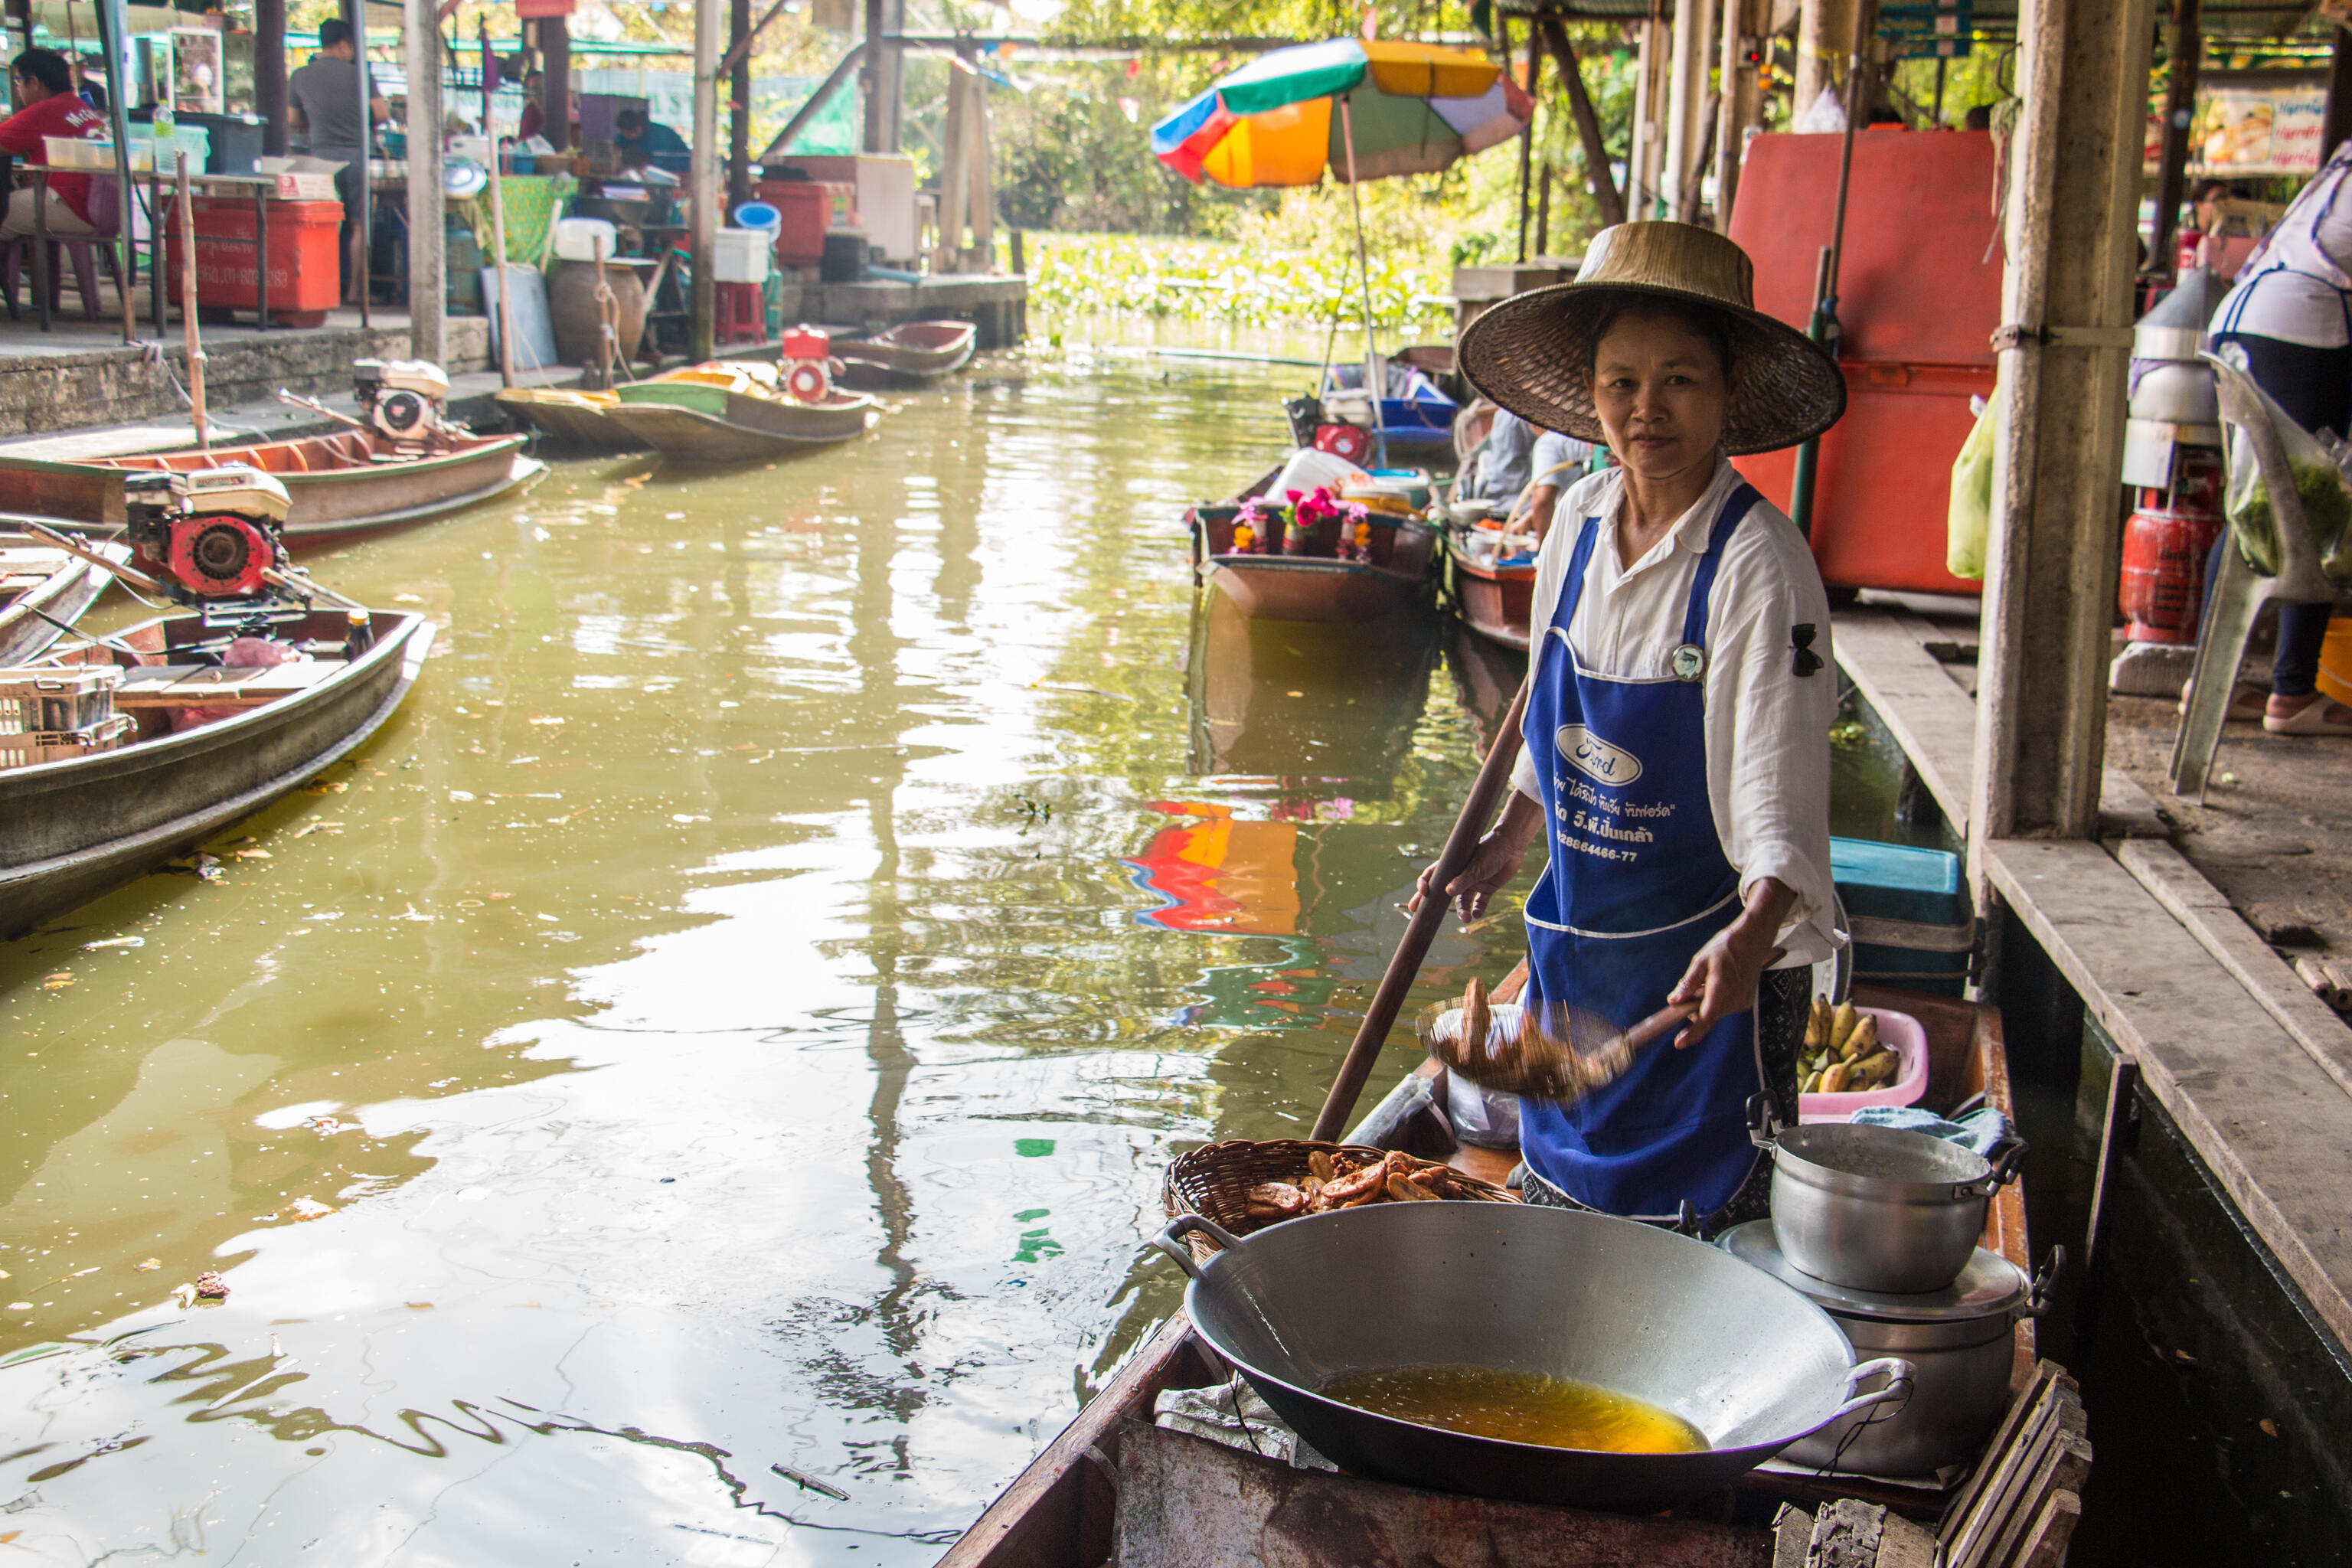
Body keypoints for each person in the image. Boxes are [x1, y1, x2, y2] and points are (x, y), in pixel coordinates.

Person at [1429, 221, 1847, 1229]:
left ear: (1730, 391)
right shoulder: (1571, 521)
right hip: (1589, 949)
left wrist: (1749, 940)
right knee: (1567, 1206)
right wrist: (1502, 844)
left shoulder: (1762, 564)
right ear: (1592, 392)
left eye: (1680, 382)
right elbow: (1557, 718)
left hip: (1727, 956)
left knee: (1703, 1233)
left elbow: (1779, 785)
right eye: (1621, 383)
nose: (1644, 409)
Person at [2202, 143, 2352, 733]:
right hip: (2302, 326)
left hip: (2246, 317)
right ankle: (2291, 692)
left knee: (2257, 506)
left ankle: (2215, 680)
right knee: (2311, 501)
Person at [288, 18, 389, 305]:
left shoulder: (300, 76)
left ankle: (321, 289)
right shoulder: (361, 75)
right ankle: (355, 291)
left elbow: (292, 120)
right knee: (358, 225)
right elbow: (381, 114)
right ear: (344, 45)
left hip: (320, 161)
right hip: (357, 158)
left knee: (323, 225)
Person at [0, 48, 108, 242]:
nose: (17, 89)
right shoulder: (77, 105)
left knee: (4, 213)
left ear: (33, 82)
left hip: (72, 204)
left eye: (17, 82)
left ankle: (12, 273)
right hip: (102, 206)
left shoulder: (43, 111)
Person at [613, 106, 691, 176]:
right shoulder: (626, 136)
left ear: (638, 128)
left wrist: (635, 169)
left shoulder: (658, 136)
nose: (627, 137)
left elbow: (658, 167)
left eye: (629, 134)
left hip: (677, 169)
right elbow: (615, 147)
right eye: (624, 134)